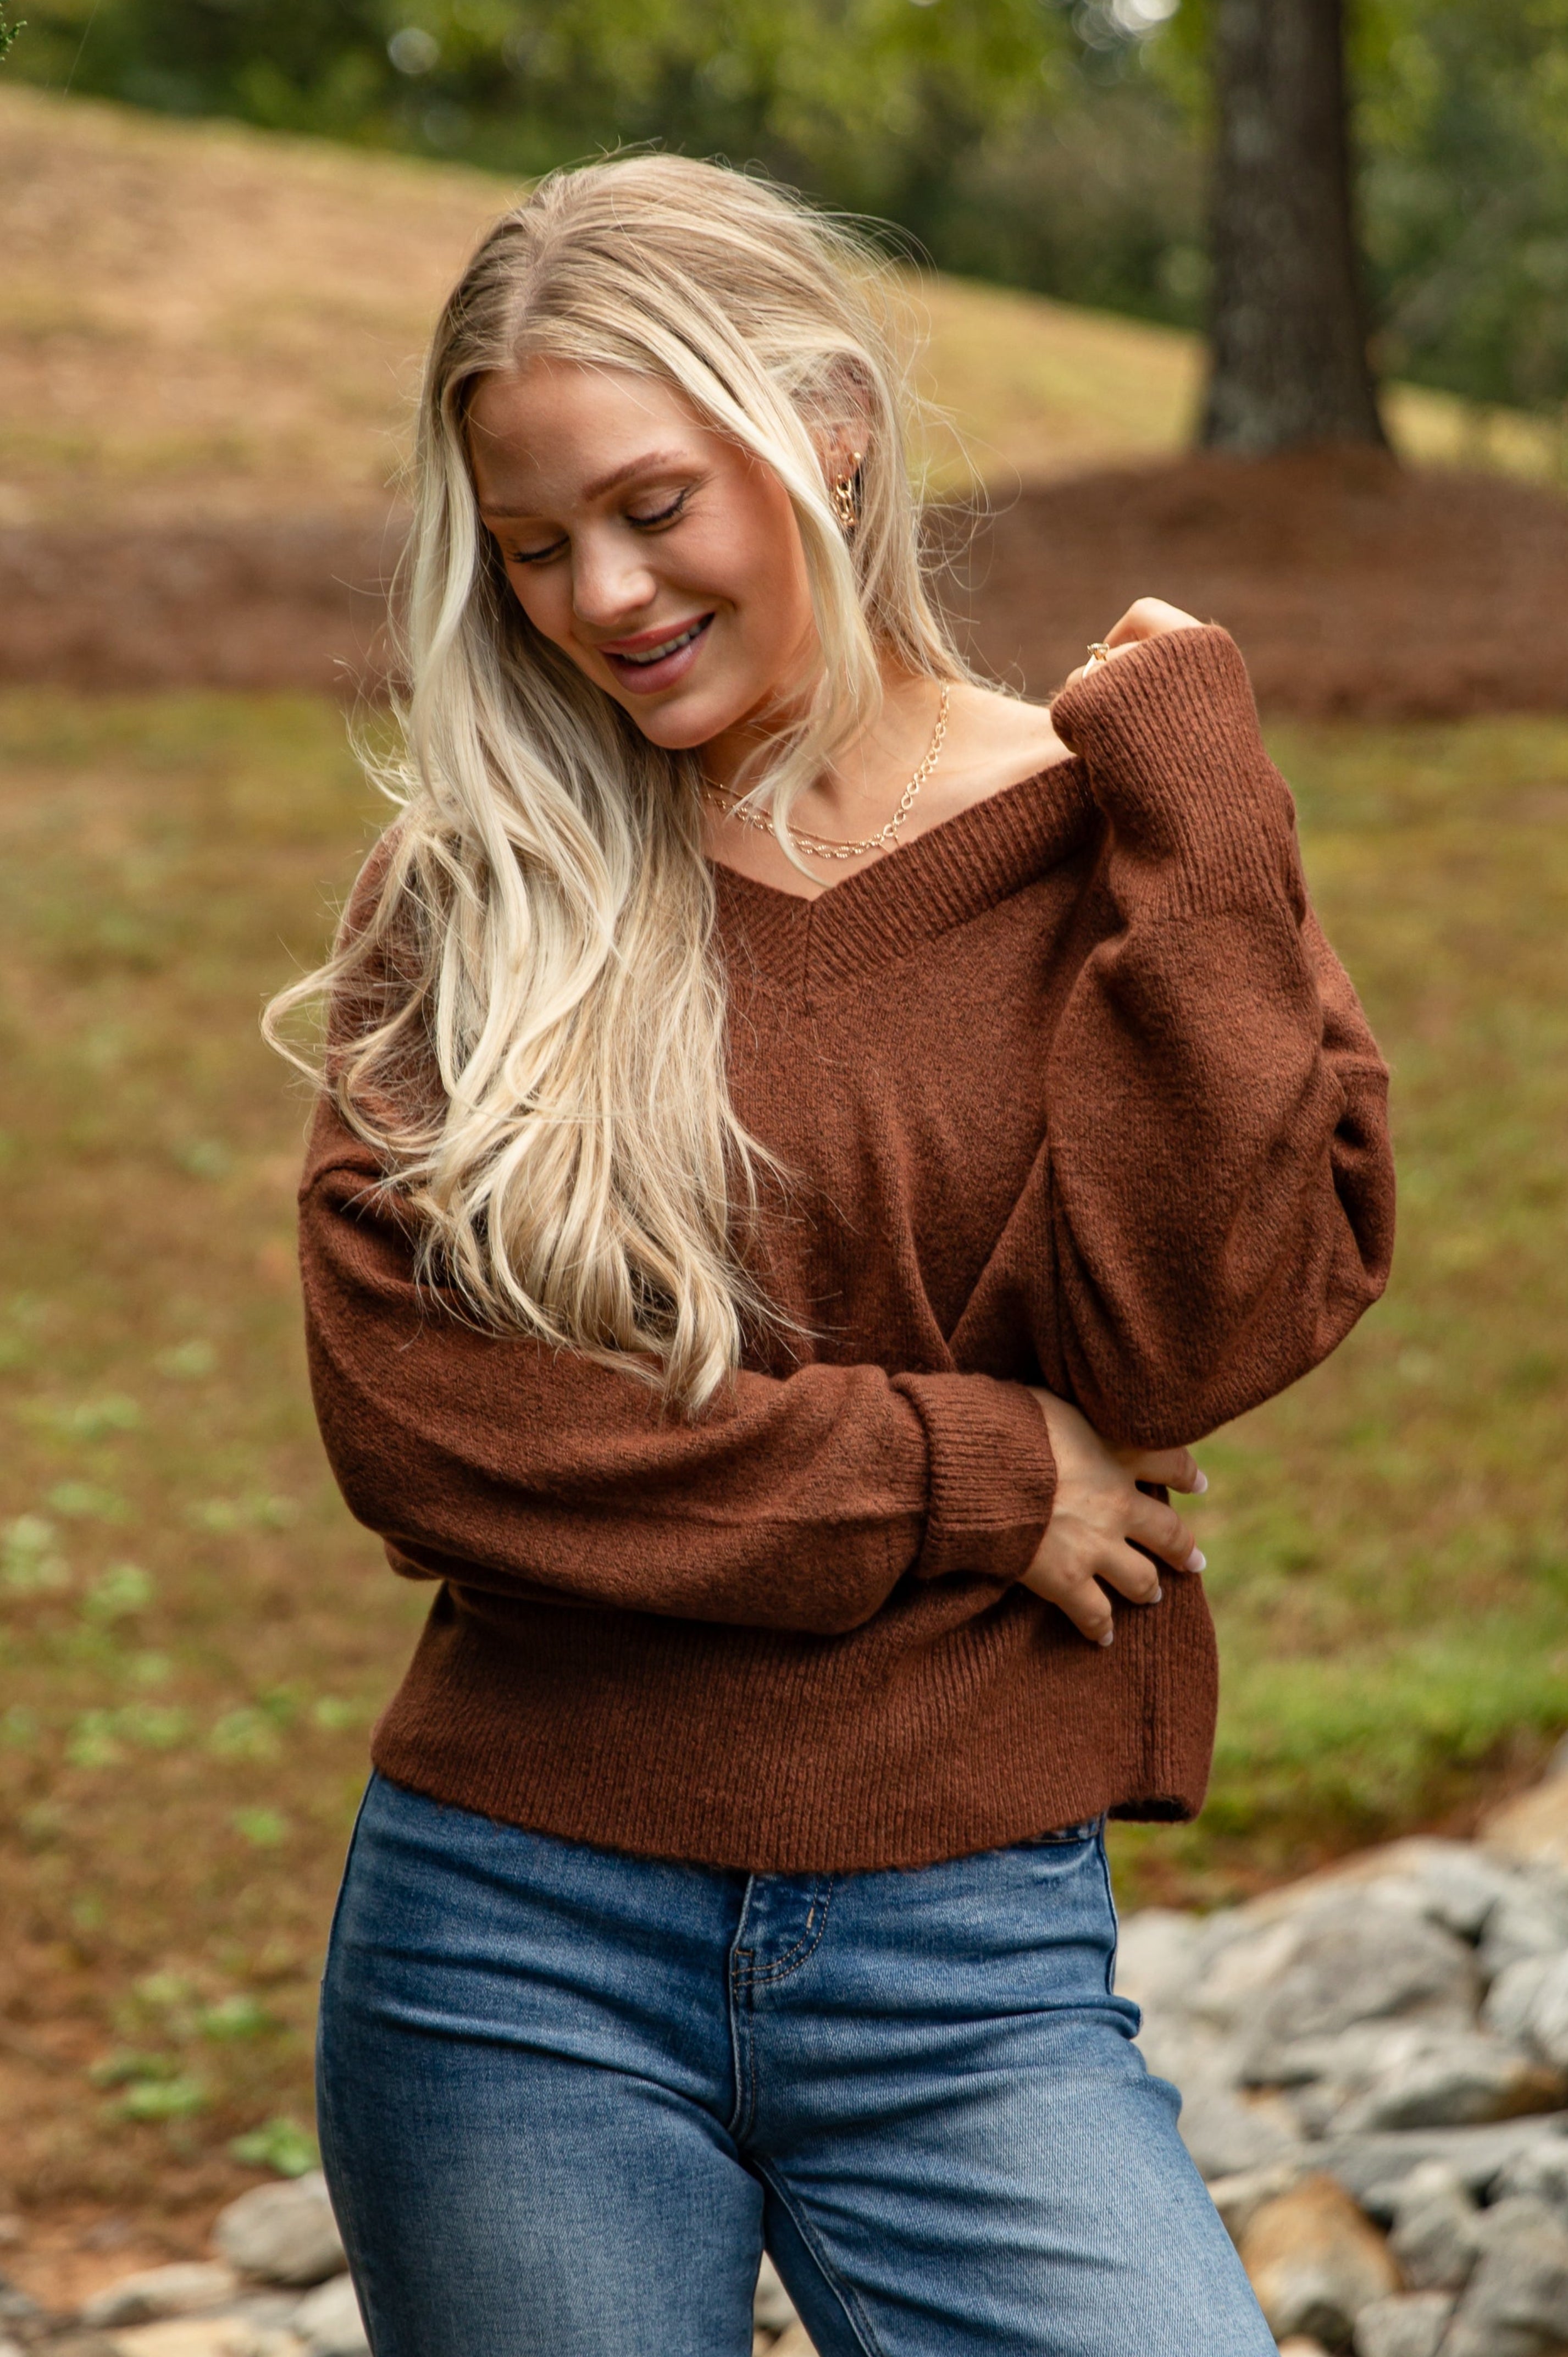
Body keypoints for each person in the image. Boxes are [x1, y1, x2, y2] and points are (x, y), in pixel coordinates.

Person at [270, 153, 1395, 2357]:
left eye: (651, 504)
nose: (597, 593)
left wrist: (1200, 825)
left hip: (966, 1964)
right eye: (529, 545)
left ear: (826, 427)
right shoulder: (489, 879)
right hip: (509, 1939)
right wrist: (962, 1475)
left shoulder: (1104, 844)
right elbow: (429, 1420)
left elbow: (1206, 1317)